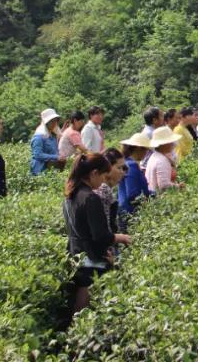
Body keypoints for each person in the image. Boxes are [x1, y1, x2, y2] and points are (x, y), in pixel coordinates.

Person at [64, 153, 132, 314]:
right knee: (85, 311)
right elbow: (101, 235)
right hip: (91, 259)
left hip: (76, 254)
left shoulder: (71, 194)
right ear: (94, 173)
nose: (103, 181)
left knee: (79, 308)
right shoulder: (90, 198)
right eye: (102, 175)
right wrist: (120, 238)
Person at [96, 148, 126, 260]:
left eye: (123, 168)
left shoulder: (104, 188)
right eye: (119, 168)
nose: (122, 172)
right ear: (107, 168)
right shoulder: (103, 189)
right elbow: (105, 225)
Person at [117, 132, 154, 222]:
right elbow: (133, 194)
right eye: (145, 150)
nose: (146, 153)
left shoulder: (127, 162)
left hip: (126, 210)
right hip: (130, 213)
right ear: (138, 148)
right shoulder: (131, 165)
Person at [146, 127, 184, 193]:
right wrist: (178, 186)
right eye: (170, 141)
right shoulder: (161, 160)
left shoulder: (155, 156)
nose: (173, 143)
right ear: (164, 144)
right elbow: (164, 185)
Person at [30, 109, 65, 175]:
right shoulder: (38, 137)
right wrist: (56, 157)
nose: (54, 123)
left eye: (55, 121)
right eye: (52, 121)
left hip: (51, 169)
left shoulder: (53, 135)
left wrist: (60, 156)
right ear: (46, 122)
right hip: (39, 170)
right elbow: (38, 155)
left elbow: (54, 152)